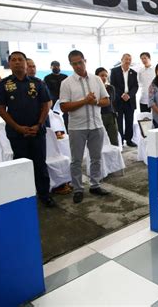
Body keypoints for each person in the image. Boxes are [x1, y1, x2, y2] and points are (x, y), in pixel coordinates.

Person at [0, 51, 56, 208]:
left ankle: (44, 195)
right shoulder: (4, 84)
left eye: (20, 59)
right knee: (21, 166)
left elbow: (45, 105)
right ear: (9, 64)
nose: (17, 62)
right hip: (17, 133)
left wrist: (39, 124)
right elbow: (1, 109)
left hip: (37, 132)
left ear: (25, 63)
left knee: (40, 164)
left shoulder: (38, 83)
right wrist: (18, 128)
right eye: (13, 60)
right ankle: (24, 197)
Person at [60, 50, 110, 204]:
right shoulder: (66, 83)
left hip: (96, 125)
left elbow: (106, 101)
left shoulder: (96, 79)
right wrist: (84, 101)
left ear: (85, 61)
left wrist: (94, 102)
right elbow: (64, 107)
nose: (78, 66)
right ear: (70, 65)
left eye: (80, 62)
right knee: (76, 160)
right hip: (77, 128)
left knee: (96, 158)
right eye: (74, 63)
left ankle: (95, 185)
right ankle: (78, 189)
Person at [110, 53, 138, 147]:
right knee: (119, 121)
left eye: (130, 59)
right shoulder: (114, 71)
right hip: (118, 100)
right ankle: (120, 140)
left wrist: (129, 95)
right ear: (121, 60)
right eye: (126, 59)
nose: (128, 61)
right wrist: (122, 94)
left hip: (130, 101)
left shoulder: (133, 72)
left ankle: (129, 139)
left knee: (129, 121)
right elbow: (113, 85)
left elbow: (135, 86)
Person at [95, 67, 119, 146]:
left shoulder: (111, 88)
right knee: (100, 140)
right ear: (96, 77)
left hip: (111, 115)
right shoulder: (94, 89)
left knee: (114, 139)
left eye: (106, 76)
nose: (104, 78)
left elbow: (110, 100)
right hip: (99, 115)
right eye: (102, 75)